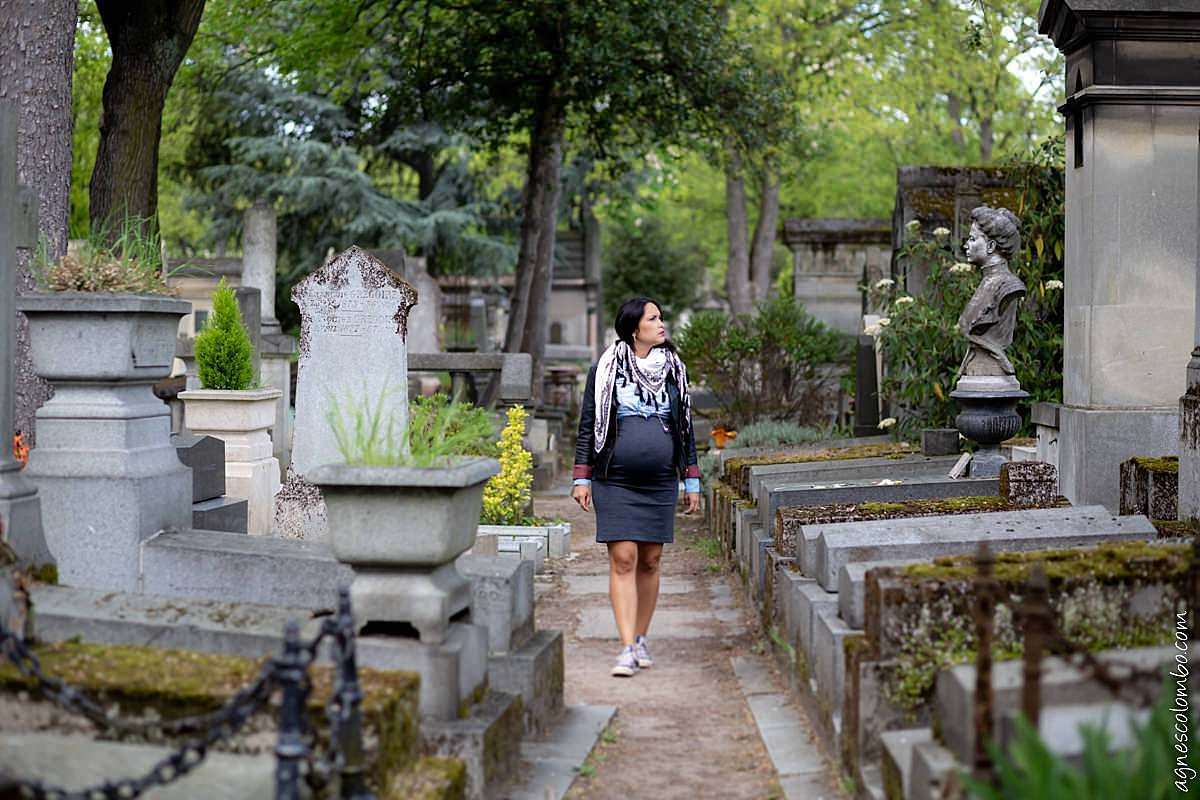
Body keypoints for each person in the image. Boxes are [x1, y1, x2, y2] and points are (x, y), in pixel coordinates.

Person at [571, 297, 701, 677]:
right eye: (654, 318)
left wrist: (691, 480)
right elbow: (587, 424)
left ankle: (641, 638)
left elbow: (686, 429)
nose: (662, 324)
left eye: (662, 317)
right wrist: (582, 476)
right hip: (615, 479)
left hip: (660, 481)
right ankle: (626, 646)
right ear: (633, 328)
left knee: (651, 559)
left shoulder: (675, 370)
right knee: (624, 556)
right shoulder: (606, 368)